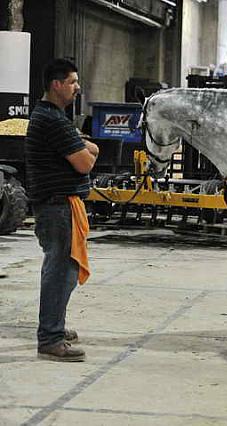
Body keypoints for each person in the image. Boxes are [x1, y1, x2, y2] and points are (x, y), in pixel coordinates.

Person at [25, 59, 98, 362]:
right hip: (58, 207)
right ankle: (50, 338)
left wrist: (83, 146)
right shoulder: (53, 121)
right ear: (56, 85)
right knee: (60, 272)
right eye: (72, 82)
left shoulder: (52, 117)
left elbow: (87, 150)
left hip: (58, 206)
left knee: (60, 270)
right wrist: (85, 148)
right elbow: (86, 161)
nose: (77, 87)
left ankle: (54, 325)